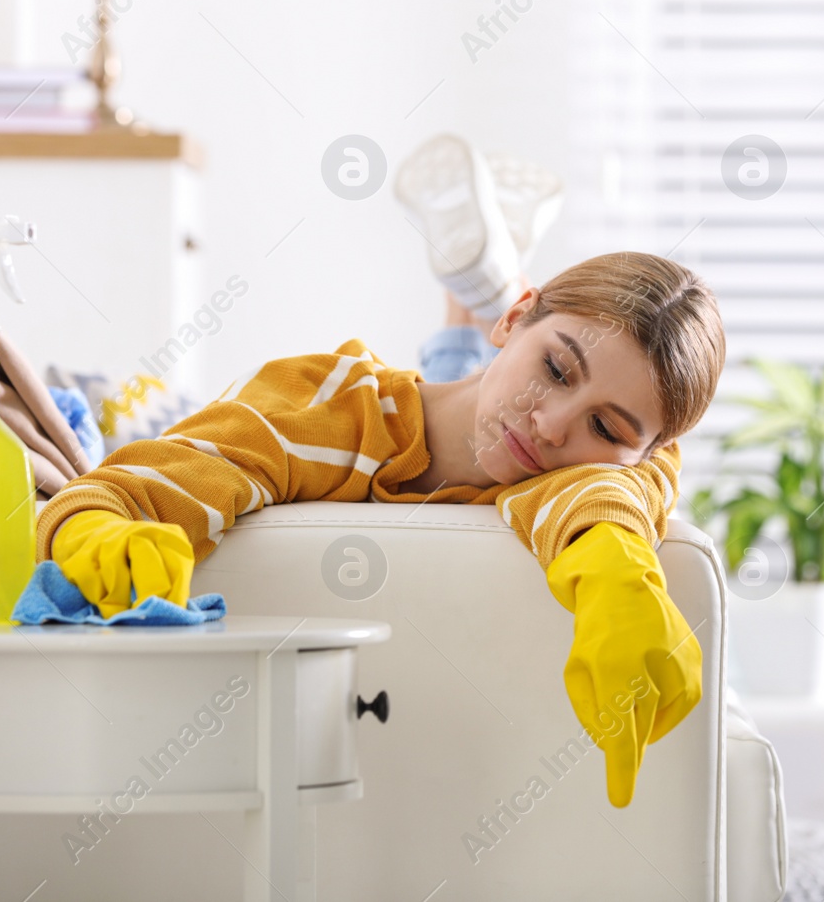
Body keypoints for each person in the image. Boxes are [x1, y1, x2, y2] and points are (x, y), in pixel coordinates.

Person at [38, 133, 726, 807]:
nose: (551, 423)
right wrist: (97, 531)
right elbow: (114, 488)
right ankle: (490, 280)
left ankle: (486, 280)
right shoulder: (320, 406)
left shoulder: (614, 471)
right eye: (555, 366)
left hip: (478, 403)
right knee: (468, 396)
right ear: (518, 318)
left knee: (475, 398)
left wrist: (613, 564)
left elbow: (628, 480)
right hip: (438, 397)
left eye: (605, 426)